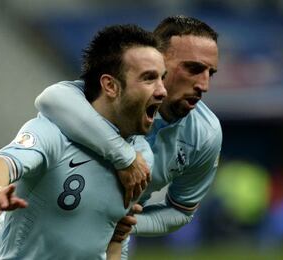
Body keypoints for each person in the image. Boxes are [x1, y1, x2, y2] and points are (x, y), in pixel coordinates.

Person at [0, 24, 167, 259]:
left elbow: (115, 240)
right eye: (149, 78)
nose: (162, 90)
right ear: (110, 86)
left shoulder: (142, 156)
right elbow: (2, 164)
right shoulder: (53, 133)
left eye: (162, 78)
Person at [35, 15, 222, 259]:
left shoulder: (205, 134)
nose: (204, 85)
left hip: (108, 244)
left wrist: (128, 223)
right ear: (157, 59)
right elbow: (50, 99)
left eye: (211, 73)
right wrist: (125, 158)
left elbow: (182, 211)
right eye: (194, 69)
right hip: (34, 234)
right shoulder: (107, 96)